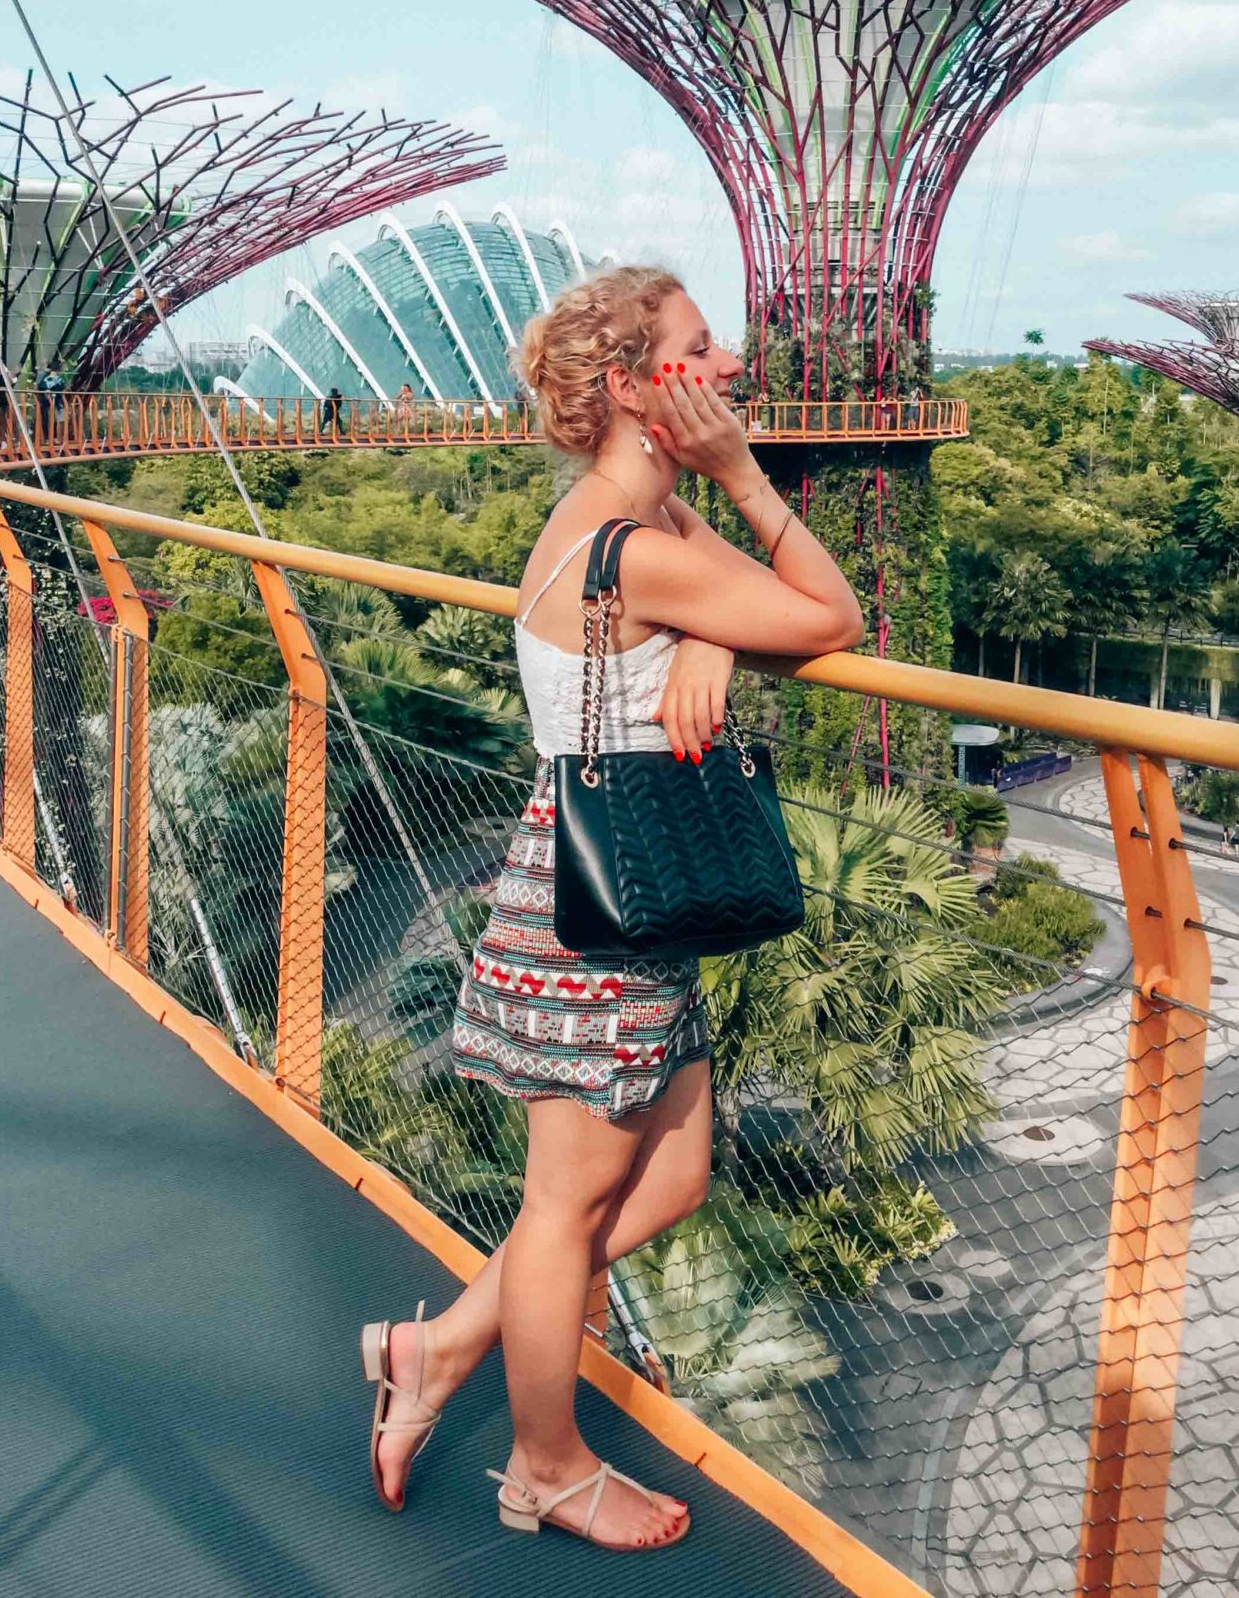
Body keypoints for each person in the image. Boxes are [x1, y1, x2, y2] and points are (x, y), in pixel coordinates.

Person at [359, 266, 862, 1552]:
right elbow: (838, 613)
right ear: (641, 387)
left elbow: (742, 612)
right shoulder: (647, 543)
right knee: (563, 1211)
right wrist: (747, 484)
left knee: (674, 1175)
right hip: (600, 910)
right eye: (703, 348)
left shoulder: (622, 522)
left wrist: (717, 639)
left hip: (614, 896)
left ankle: (442, 1346)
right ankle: (544, 1470)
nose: (733, 361)